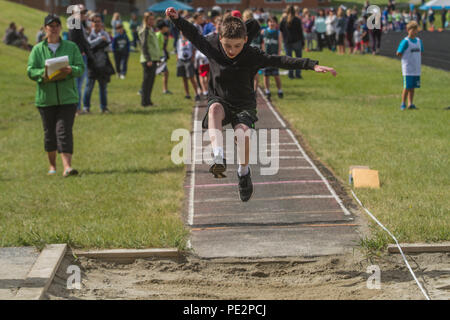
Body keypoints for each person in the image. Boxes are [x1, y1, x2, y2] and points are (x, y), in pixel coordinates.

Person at [166, 8, 337, 202]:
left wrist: (311, 64)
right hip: (220, 99)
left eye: (237, 46)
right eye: (227, 46)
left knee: (243, 134)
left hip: (244, 104)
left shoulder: (251, 55)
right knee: (214, 109)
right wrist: (177, 20)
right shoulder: (211, 45)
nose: (232, 51)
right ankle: (218, 156)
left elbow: (280, 60)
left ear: (246, 40)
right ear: (219, 38)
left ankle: (243, 172)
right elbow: (193, 34)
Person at [27, 14, 84, 177]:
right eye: (50, 26)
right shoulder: (38, 49)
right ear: (45, 28)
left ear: (61, 28)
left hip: (67, 98)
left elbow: (80, 67)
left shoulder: (71, 47)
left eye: (57, 25)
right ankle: (52, 165)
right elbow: (30, 70)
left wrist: (71, 70)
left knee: (64, 131)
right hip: (46, 99)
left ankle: (67, 167)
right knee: (49, 134)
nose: (54, 28)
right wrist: (42, 74)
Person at [83, 14, 115, 114]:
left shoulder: (105, 33)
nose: (97, 23)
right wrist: (100, 40)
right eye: (95, 21)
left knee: (103, 88)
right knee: (89, 87)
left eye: (99, 21)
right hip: (92, 65)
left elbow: (110, 48)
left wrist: (104, 43)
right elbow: (88, 45)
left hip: (103, 64)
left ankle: (104, 108)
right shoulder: (88, 34)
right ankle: (86, 107)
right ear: (91, 23)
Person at [68, 4, 91, 114]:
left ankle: (77, 108)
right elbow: (73, 40)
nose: (83, 15)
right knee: (77, 83)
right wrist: (79, 52)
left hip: (81, 55)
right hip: (78, 56)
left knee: (79, 83)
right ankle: (77, 109)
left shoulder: (79, 23)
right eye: (81, 12)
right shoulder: (74, 22)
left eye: (84, 12)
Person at [396, 21, 423, 110]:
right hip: (408, 68)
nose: (415, 32)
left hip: (416, 68)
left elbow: (421, 52)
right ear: (408, 30)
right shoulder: (405, 41)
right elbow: (399, 52)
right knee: (407, 86)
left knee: (412, 86)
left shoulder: (419, 41)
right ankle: (403, 103)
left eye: (416, 30)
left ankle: (410, 103)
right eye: (413, 30)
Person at [139, 11, 160, 107]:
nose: (152, 21)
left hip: (153, 58)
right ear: (146, 20)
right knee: (146, 81)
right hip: (148, 60)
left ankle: (148, 101)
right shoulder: (145, 30)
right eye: (150, 19)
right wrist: (148, 59)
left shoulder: (151, 29)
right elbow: (144, 46)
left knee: (151, 81)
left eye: (153, 19)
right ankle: (144, 101)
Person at [280, 5, 305, 79]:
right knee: (298, 59)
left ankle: (290, 74)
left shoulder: (283, 20)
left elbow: (281, 30)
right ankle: (298, 74)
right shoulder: (297, 20)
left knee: (289, 60)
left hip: (287, 42)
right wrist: (303, 42)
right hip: (297, 41)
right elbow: (300, 32)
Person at [262, 16, 283, 100]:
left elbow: (280, 45)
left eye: (273, 22)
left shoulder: (278, 33)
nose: (272, 23)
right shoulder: (264, 31)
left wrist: (278, 54)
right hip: (266, 56)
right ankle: (267, 91)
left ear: (276, 23)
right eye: (270, 22)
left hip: (274, 56)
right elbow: (262, 44)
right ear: (267, 23)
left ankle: (280, 90)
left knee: (276, 75)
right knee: (266, 75)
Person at [176, 32, 199, 100]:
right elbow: (177, 50)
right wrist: (177, 59)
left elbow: (194, 49)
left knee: (191, 77)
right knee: (184, 78)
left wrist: (193, 58)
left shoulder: (190, 40)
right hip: (181, 60)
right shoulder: (179, 40)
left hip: (189, 60)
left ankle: (196, 93)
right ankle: (187, 94)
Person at [155, 19, 172, 94]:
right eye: (166, 27)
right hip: (158, 57)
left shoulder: (161, 35)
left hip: (161, 57)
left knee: (165, 73)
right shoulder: (158, 35)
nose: (167, 29)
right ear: (163, 27)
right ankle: (165, 90)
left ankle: (165, 89)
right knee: (164, 73)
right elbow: (156, 47)